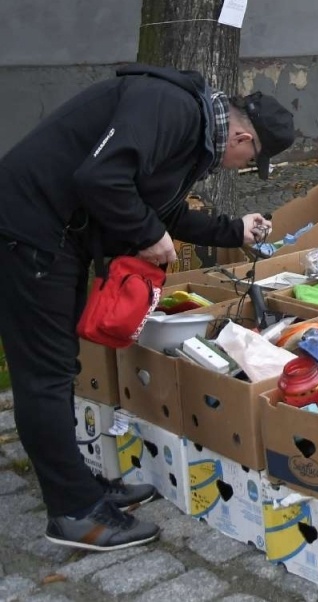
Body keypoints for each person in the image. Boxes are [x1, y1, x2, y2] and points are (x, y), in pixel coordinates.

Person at [0, 66, 294, 551]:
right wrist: (148, 234)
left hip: (57, 236)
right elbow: (100, 177)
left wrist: (231, 230)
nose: (240, 167)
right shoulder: (171, 108)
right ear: (243, 138)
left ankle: (79, 487)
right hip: (27, 229)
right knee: (45, 375)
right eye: (250, 160)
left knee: (61, 366)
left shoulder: (192, 132)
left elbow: (164, 208)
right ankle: (74, 513)